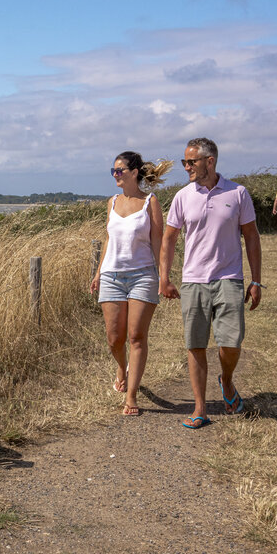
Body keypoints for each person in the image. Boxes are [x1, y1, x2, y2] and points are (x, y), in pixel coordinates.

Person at [159, 138, 262, 429]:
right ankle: (200, 407)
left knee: (231, 342)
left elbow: (252, 237)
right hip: (193, 281)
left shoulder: (238, 193)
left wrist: (256, 280)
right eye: (185, 162)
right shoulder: (182, 196)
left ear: (210, 161)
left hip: (229, 278)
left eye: (191, 162)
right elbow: (169, 239)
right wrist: (164, 278)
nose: (186, 167)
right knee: (196, 345)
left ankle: (226, 380)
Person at [90, 151, 172, 416]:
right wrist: (99, 272)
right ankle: (120, 365)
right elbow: (107, 239)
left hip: (142, 276)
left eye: (119, 170)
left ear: (134, 172)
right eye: (113, 171)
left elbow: (159, 242)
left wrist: (164, 276)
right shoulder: (112, 202)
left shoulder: (151, 202)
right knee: (114, 339)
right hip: (112, 276)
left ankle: (132, 396)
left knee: (136, 337)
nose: (115, 175)